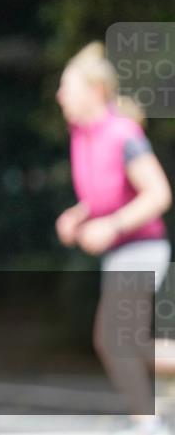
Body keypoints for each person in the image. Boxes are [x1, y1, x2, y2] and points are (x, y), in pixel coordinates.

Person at [55, 42, 173, 435]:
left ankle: (148, 422)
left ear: (95, 91)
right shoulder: (82, 137)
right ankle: (147, 421)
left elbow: (158, 194)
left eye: (67, 88)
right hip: (122, 252)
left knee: (118, 339)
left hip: (141, 247)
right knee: (123, 342)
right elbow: (103, 196)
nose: (59, 96)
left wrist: (113, 226)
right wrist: (80, 215)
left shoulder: (121, 134)